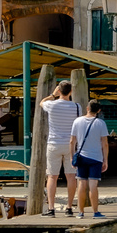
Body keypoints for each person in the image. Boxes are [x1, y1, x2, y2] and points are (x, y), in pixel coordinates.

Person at [40, 80, 82, 216]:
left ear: (59, 90)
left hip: (54, 144)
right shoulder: (77, 107)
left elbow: (41, 102)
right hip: (70, 144)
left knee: (52, 176)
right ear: (71, 91)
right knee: (71, 176)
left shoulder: (51, 105)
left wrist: (52, 95)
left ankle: (51, 208)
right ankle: (69, 208)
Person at [69, 100, 109, 218]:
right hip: (96, 158)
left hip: (81, 157)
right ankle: (95, 212)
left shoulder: (77, 121)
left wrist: (72, 157)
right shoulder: (101, 123)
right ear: (98, 110)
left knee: (81, 184)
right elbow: (105, 143)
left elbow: (72, 141)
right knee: (93, 185)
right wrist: (105, 160)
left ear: (87, 108)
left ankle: (80, 212)